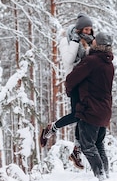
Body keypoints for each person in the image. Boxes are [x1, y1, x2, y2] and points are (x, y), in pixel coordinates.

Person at [39, 13, 94, 169]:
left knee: (84, 116)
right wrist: (76, 41)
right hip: (75, 82)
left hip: (87, 84)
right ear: (78, 29)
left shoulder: (90, 42)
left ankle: (76, 149)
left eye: (90, 29)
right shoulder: (66, 40)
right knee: (77, 115)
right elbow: (68, 61)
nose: (88, 32)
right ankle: (51, 128)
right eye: (86, 29)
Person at [64, 32, 114, 181]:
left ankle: (100, 177)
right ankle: (106, 175)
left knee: (87, 146)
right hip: (104, 111)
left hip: (90, 109)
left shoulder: (92, 61)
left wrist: (70, 91)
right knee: (99, 144)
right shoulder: (109, 63)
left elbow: (72, 78)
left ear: (97, 44)